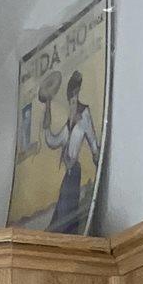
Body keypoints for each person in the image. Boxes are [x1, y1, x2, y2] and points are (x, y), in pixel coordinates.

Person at [43, 69, 100, 231]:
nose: (71, 104)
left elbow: (93, 142)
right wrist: (47, 109)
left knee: (66, 213)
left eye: (73, 100)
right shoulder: (68, 127)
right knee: (61, 214)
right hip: (68, 174)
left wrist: (97, 158)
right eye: (70, 101)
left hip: (74, 171)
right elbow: (52, 140)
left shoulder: (84, 116)